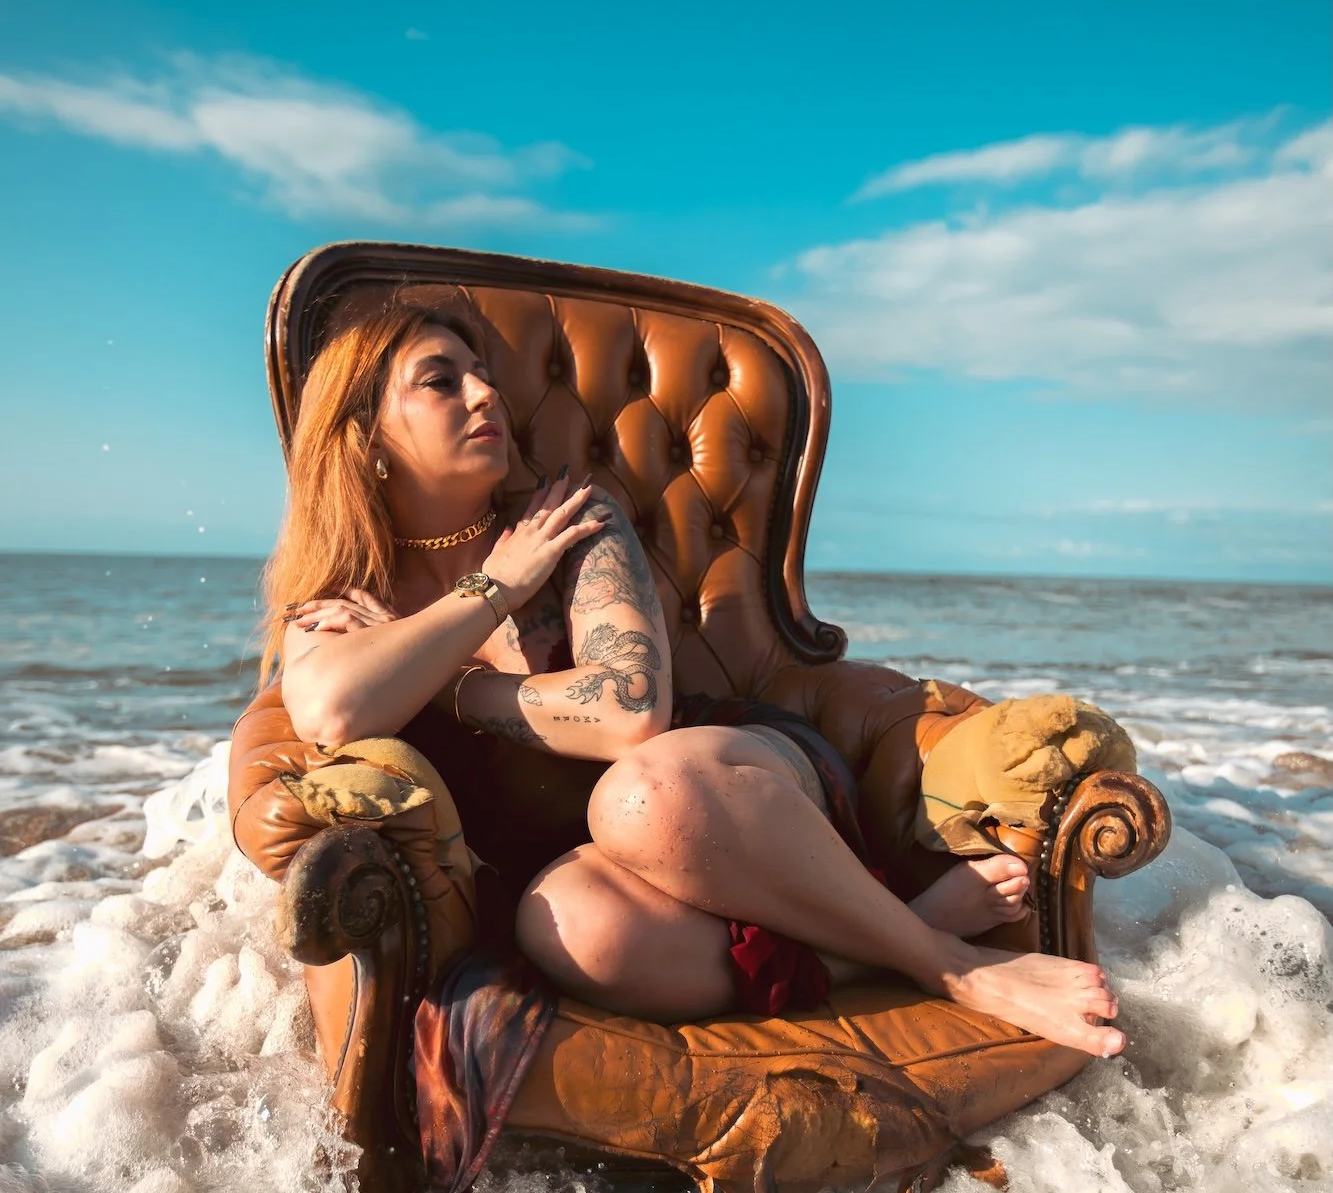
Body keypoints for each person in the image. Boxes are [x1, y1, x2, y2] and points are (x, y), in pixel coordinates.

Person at [265, 297, 1124, 1056]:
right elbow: (333, 709)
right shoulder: (345, 598)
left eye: (483, 374)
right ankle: (887, 942)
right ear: (366, 433)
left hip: (725, 787)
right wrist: (490, 600)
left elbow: (629, 715)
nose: (486, 394)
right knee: (571, 933)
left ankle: (952, 967)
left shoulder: (565, 523)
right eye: (439, 381)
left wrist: (449, 669)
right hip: (590, 870)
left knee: (641, 791)